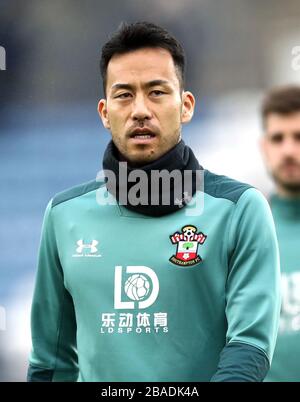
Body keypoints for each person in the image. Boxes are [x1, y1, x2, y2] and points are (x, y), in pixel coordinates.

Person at [27, 21, 280, 382]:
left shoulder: (239, 210)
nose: (140, 109)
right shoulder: (63, 216)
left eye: (157, 92)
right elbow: (50, 363)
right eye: (124, 94)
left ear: (186, 106)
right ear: (104, 112)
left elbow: (249, 347)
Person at [260, 85, 300, 382]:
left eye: (299, 137)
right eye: (278, 138)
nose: (288, 150)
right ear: (264, 147)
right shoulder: (244, 237)